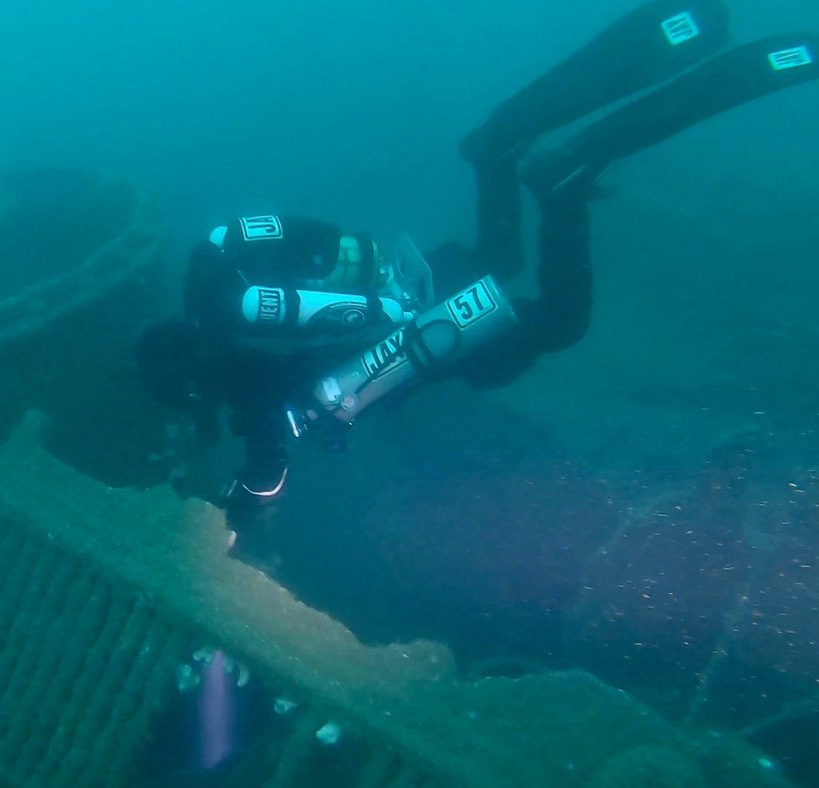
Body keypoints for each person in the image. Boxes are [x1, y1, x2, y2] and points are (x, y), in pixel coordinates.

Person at [136, 0, 816, 553]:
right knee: (499, 256)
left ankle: (562, 189)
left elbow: (265, 476)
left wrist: (233, 517)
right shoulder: (226, 320)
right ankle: (496, 153)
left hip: (436, 334)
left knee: (559, 321)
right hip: (410, 288)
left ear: (188, 383)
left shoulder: (253, 402)